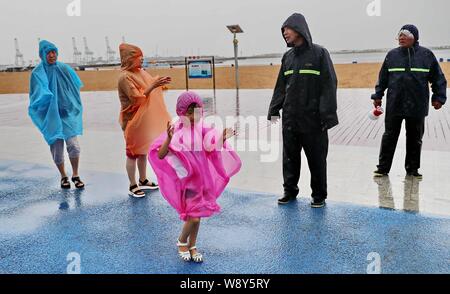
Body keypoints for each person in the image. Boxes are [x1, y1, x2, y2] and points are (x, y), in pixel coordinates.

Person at [148, 91, 241, 262]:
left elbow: (210, 150)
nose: (193, 116)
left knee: (197, 217)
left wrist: (222, 138)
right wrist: (168, 139)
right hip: (187, 182)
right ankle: (181, 241)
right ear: (181, 112)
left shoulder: (203, 129)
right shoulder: (176, 131)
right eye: (189, 113)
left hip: (202, 181)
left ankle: (192, 245)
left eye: (196, 112)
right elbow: (160, 155)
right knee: (194, 217)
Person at [267, 13, 338, 208]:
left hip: (314, 121)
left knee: (316, 160)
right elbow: (281, 86)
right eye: (283, 30)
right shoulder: (287, 57)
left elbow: (329, 85)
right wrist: (274, 109)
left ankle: (318, 195)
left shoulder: (320, 54)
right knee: (289, 158)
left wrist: (327, 115)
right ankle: (289, 191)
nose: (284, 33)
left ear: (299, 29)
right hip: (291, 119)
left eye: (287, 29)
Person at [372, 24, 447, 178]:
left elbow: (438, 78)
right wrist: (378, 96)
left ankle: (412, 170)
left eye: (405, 34)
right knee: (389, 136)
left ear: (415, 37)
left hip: (417, 105)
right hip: (395, 104)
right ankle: (382, 169)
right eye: (399, 35)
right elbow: (383, 78)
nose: (401, 37)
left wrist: (439, 97)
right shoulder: (392, 56)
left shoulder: (426, 55)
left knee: (415, 138)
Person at [117, 43, 172, 197]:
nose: (141, 60)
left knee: (143, 151)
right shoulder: (124, 77)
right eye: (138, 58)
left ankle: (143, 180)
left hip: (143, 120)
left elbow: (149, 85)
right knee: (132, 153)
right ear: (130, 59)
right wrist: (154, 85)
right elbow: (137, 99)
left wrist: (159, 83)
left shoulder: (140, 72)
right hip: (132, 120)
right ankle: (132, 185)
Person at [29, 40, 85, 189]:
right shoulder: (37, 73)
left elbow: (74, 87)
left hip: (66, 114)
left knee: (74, 145)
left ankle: (75, 174)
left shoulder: (63, 68)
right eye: (49, 52)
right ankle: (63, 176)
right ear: (42, 54)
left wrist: (71, 105)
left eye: (54, 52)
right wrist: (46, 97)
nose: (52, 55)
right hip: (51, 117)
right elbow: (35, 95)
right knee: (57, 150)